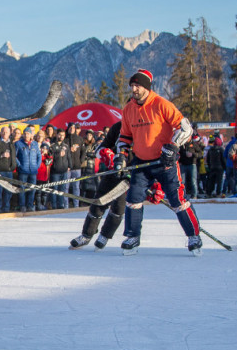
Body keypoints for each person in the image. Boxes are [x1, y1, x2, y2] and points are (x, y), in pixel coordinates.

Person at [115, 69, 201, 255]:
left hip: (164, 162)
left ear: (146, 87)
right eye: (132, 86)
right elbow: (125, 136)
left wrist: (173, 146)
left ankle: (193, 236)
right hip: (141, 162)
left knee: (178, 200)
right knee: (133, 200)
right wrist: (121, 154)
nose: (134, 89)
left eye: (138, 85)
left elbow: (185, 128)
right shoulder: (128, 109)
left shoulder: (161, 104)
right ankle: (132, 236)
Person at [69, 121, 127, 250]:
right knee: (98, 203)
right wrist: (105, 154)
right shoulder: (118, 127)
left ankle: (105, 235)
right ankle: (86, 235)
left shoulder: (145, 127)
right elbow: (102, 147)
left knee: (118, 208)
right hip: (113, 171)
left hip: (128, 176)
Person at [14, 126, 41, 212]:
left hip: (33, 170)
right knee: (22, 189)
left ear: (31, 135)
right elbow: (14, 156)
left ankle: (30, 205)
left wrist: (37, 166)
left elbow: (39, 156)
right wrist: (19, 165)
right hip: (23, 170)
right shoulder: (18, 144)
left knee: (32, 189)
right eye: (25, 133)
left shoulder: (35, 144)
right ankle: (22, 205)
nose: (26, 135)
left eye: (28, 133)